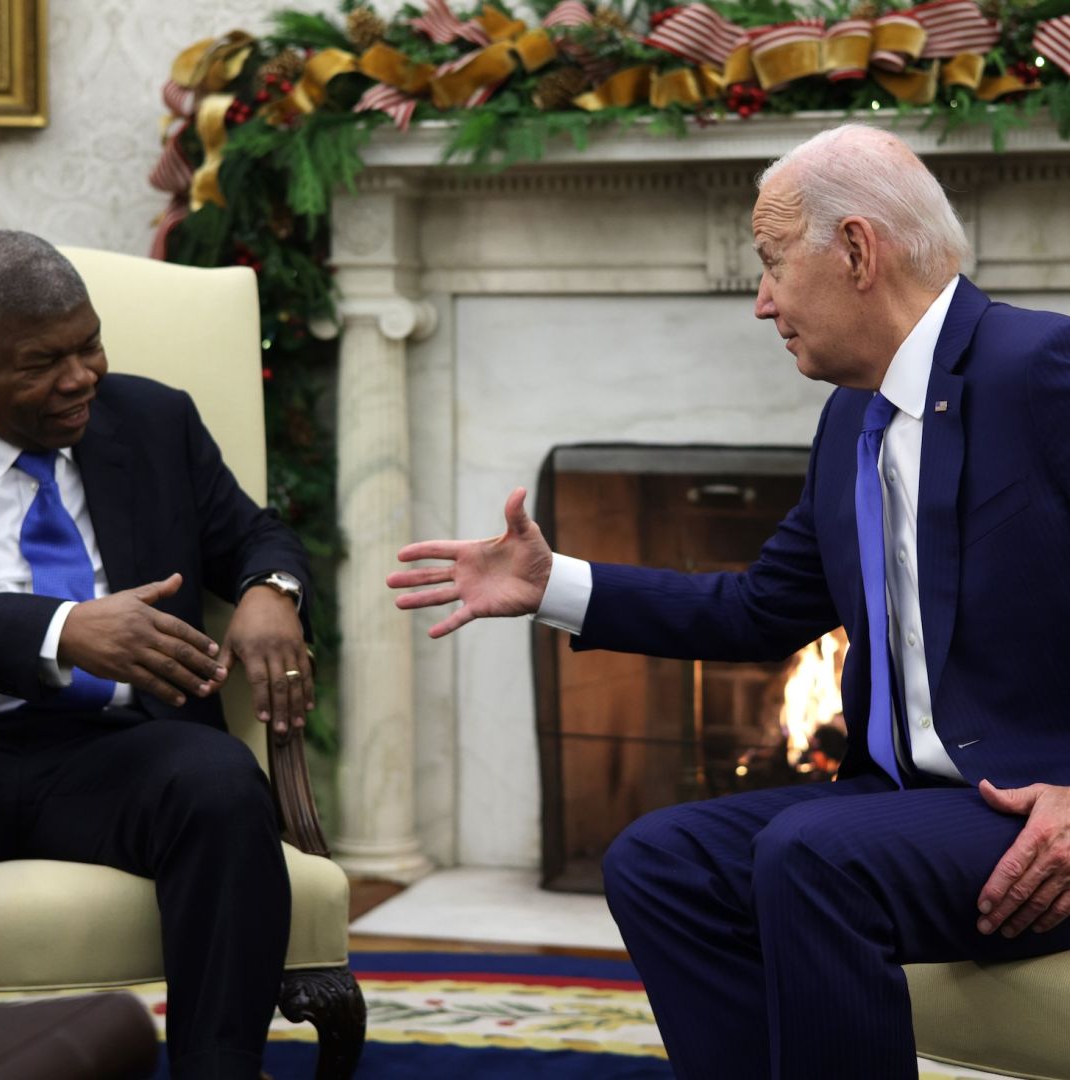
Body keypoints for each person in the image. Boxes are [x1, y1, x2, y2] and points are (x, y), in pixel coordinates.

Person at [386, 124, 1070, 1080]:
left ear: (858, 251)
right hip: (904, 814)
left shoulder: (1043, 370)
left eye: (772, 263)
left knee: (812, 854)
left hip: (1033, 813)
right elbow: (756, 609)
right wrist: (553, 586)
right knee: (657, 860)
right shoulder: (851, 423)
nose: (761, 302)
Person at [0, 231, 315, 1080]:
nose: (80, 376)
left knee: (216, 782)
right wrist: (62, 630)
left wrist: (270, 590)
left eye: (89, 343)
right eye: (40, 363)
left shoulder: (151, 419)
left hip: (113, 755)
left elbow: (257, 534)